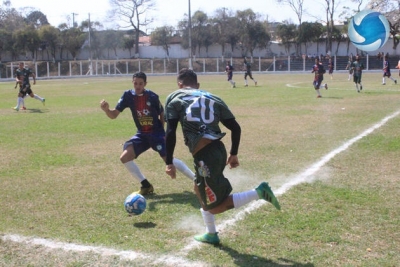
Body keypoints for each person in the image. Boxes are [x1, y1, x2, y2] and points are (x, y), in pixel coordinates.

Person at [164, 68, 280, 244]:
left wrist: (169, 162)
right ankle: (211, 234)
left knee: (216, 207)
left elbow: (170, 131)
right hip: (217, 149)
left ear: (179, 85)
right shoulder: (213, 98)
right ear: (198, 85)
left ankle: (259, 192)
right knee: (198, 189)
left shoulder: (175, 97)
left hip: (206, 156)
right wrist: (233, 154)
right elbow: (235, 127)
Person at [100, 71, 195, 195]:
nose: (138, 86)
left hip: (156, 134)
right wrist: (107, 110)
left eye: (140, 83)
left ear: (145, 84)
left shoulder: (152, 96)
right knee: (125, 157)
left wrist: (161, 131)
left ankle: (196, 179)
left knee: (169, 160)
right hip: (142, 135)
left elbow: (162, 113)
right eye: (135, 83)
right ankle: (146, 185)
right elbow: (113, 115)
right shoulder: (128, 96)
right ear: (132, 83)